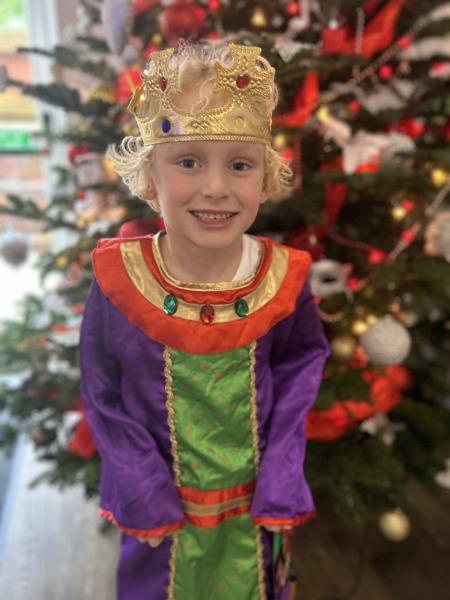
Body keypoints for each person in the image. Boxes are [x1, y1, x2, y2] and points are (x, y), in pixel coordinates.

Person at [80, 41, 330, 600]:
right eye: (189, 161)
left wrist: (283, 469)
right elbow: (102, 391)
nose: (216, 187)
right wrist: (141, 489)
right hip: (163, 526)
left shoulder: (284, 278)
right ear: (150, 176)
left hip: (255, 517)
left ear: (264, 178)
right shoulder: (118, 280)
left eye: (239, 165)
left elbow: (300, 366)